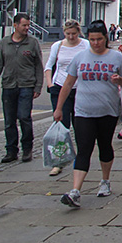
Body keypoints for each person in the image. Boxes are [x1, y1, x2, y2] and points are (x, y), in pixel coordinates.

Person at [54, 20, 122, 207]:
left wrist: (119, 79)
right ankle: (75, 191)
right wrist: (58, 108)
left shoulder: (116, 57)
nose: (95, 43)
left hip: (107, 111)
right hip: (83, 111)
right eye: (92, 39)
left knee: (105, 146)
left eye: (99, 39)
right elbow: (68, 83)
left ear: (106, 38)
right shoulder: (80, 57)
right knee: (84, 149)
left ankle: (105, 180)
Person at [0, 13, 44, 163]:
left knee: (24, 117)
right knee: (9, 120)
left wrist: (38, 86)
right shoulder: (5, 43)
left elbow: (38, 66)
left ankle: (27, 149)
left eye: (28, 25)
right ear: (15, 25)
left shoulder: (32, 43)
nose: (27, 28)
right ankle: (11, 151)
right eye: (24, 25)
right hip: (9, 85)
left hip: (26, 85)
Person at [43, 19, 89, 175]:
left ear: (78, 32)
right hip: (60, 88)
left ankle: (81, 157)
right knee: (61, 125)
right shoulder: (58, 46)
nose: (71, 37)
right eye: (68, 34)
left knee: (80, 125)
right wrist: (50, 84)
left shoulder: (85, 45)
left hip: (79, 89)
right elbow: (49, 66)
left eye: (74, 34)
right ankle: (59, 161)